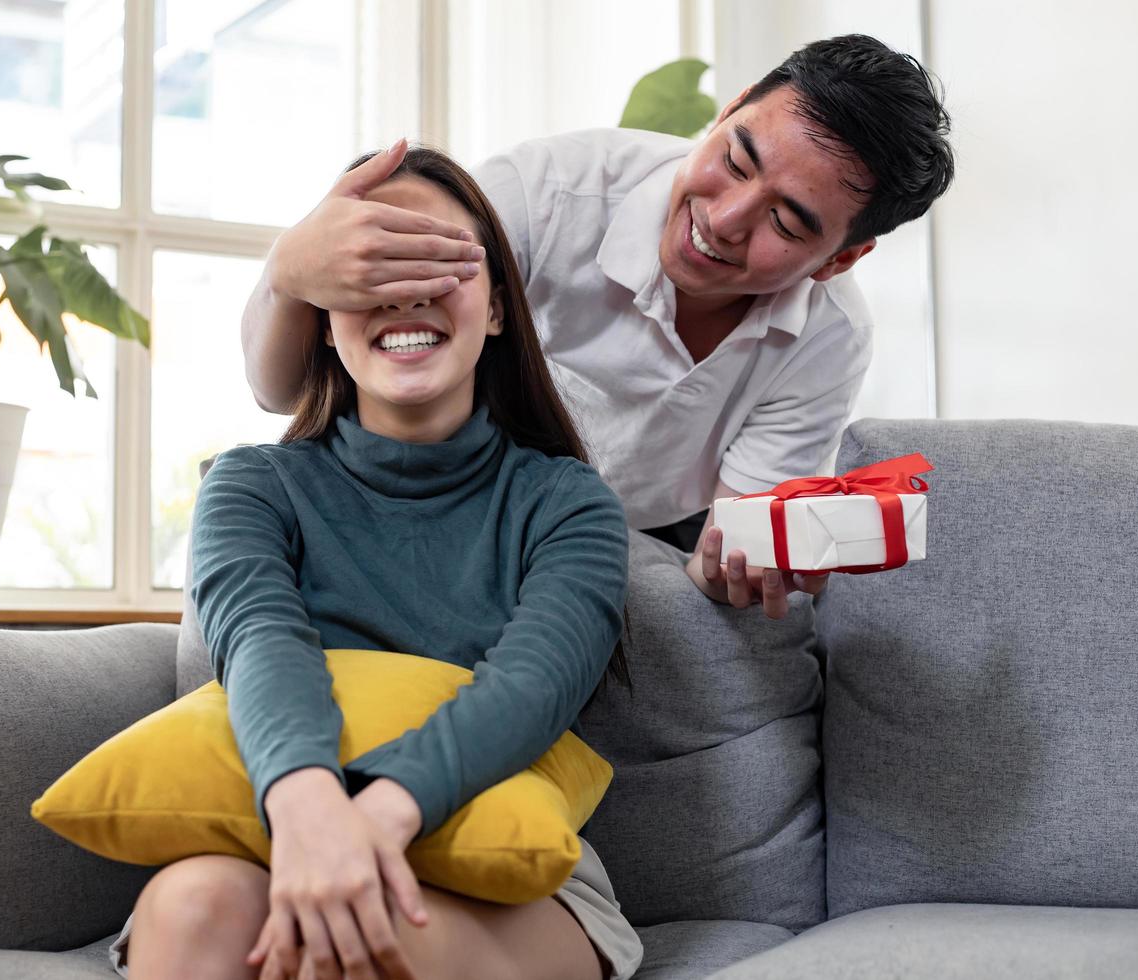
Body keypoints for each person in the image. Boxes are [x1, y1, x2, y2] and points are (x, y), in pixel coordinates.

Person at [111, 147, 642, 980]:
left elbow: (531, 687)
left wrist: (373, 821)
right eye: (375, 259)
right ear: (325, 314)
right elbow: (262, 649)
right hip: (287, 834)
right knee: (191, 910)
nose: (407, 286)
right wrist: (311, 811)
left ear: (498, 309)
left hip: (514, 884)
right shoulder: (254, 485)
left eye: (440, 257)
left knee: (358, 946)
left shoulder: (568, 502)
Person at [239, 34, 955, 620]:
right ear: (729, 109)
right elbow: (286, 392)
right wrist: (290, 271)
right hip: (444, 488)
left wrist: (731, 566)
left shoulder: (828, 338)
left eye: (787, 221)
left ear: (843, 259)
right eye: (735, 160)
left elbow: (725, 548)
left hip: (629, 533)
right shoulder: (544, 196)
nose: (725, 219)